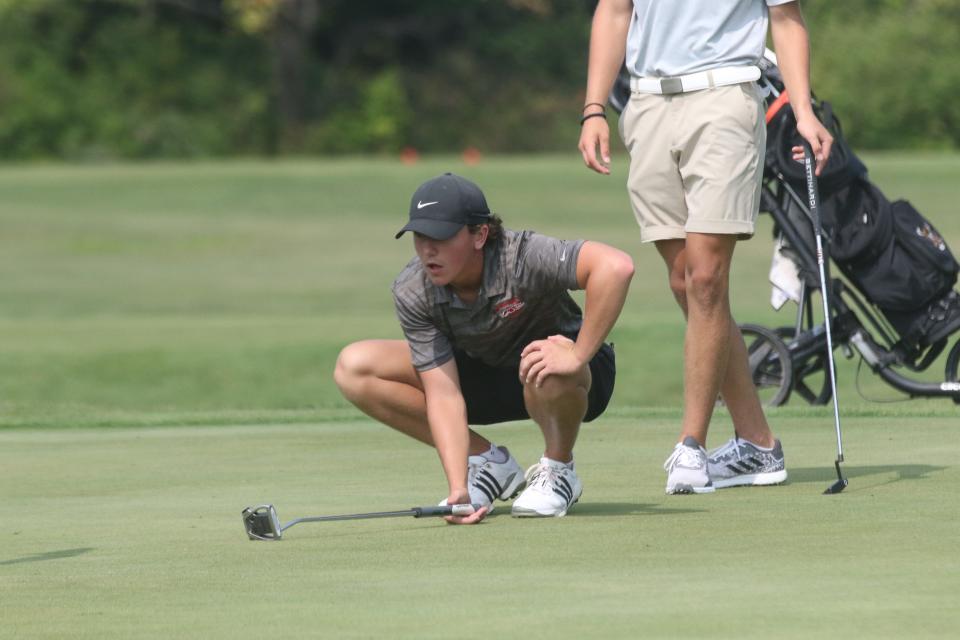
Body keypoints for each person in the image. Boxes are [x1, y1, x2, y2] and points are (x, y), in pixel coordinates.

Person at [578, 1, 833, 494]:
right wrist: (593, 108)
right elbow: (614, 11)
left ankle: (690, 445)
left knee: (707, 277)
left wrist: (803, 110)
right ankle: (758, 444)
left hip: (726, 96)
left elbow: (786, 18)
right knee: (685, 282)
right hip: (647, 104)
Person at [334, 173, 634, 523]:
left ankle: (558, 468)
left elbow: (616, 267)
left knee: (544, 360)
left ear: (480, 234)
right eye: (420, 237)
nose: (428, 250)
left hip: (575, 378)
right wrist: (457, 486)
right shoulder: (414, 289)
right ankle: (489, 463)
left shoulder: (521, 256)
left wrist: (577, 354)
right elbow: (443, 393)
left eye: (441, 237)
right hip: (488, 376)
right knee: (354, 366)